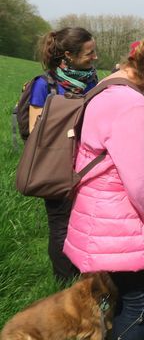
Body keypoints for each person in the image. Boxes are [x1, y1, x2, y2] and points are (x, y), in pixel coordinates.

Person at [63, 33, 144, 340]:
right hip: (119, 223)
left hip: (99, 215)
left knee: (108, 301)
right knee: (139, 303)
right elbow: (138, 181)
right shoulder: (130, 103)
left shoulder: (108, 86)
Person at [28, 26, 98, 284]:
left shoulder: (92, 80)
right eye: (89, 53)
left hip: (88, 164)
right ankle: (66, 283)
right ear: (68, 55)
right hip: (56, 166)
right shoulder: (44, 85)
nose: (95, 57)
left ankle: (86, 276)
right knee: (60, 225)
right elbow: (37, 135)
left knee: (84, 223)